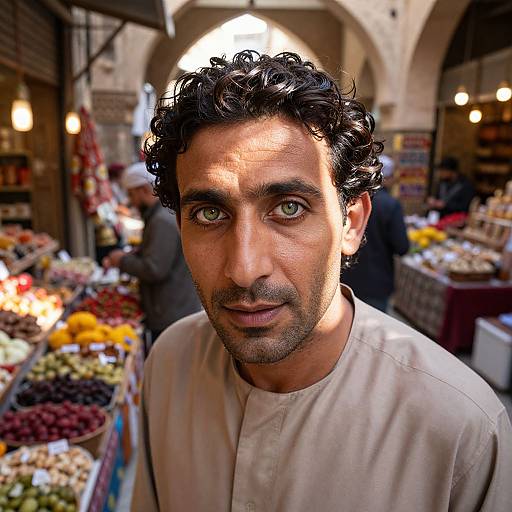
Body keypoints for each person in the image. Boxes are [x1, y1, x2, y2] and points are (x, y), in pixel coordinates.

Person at [132, 52, 512, 512]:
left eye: (289, 207)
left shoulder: (460, 429)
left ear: (351, 223)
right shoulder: (168, 365)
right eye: (209, 213)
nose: (244, 268)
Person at [103, 162, 201, 343]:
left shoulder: (161, 220)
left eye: (131, 194)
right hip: (172, 309)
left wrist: (121, 261)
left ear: (143, 190)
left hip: (170, 312)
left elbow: (154, 269)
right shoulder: (160, 215)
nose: (131, 202)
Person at [343, 155, 409, 312]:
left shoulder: (348, 200)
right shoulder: (391, 205)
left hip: (346, 278)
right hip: (376, 282)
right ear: (389, 178)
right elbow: (402, 246)